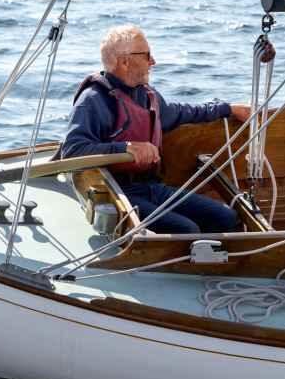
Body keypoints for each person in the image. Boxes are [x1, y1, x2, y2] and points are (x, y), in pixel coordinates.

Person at [61, 24, 251, 234]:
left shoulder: (147, 95)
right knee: (186, 230)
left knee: (226, 218)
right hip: (117, 192)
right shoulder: (93, 100)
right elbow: (72, 151)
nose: (153, 61)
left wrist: (228, 108)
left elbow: (182, 112)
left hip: (151, 187)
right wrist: (125, 149)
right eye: (147, 55)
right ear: (125, 61)